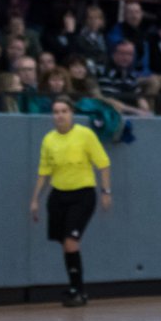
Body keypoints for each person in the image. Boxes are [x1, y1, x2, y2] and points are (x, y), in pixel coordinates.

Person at [29, 98, 112, 307]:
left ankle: (77, 290)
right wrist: (35, 199)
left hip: (82, 195)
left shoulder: (85, 135)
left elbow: (103, 163)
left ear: (71, 113)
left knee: (70, 241)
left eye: (64, 111)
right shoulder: (49, 140)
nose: (60, 115)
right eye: (56, 112)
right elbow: (44, 171)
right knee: (65, 244)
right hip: (59, 196)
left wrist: (105, 191)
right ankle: (76, 287)